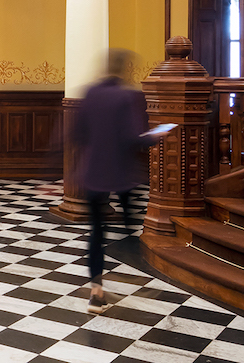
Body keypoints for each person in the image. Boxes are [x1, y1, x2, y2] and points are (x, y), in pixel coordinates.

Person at [73, 49, 161, 313]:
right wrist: (157, 134)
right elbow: (132, 137)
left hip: (92, 173)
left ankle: (96, 294)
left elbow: (78, 133)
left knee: (97, 233)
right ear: (124, 68)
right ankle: (137, 262)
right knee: (130, 221)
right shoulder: (124, 96)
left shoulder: (90, 92)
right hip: (120, 174)